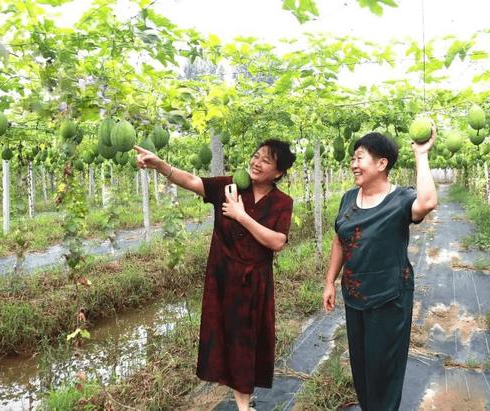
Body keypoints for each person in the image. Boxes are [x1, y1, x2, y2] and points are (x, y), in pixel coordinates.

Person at [134, 139, 296, 411]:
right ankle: (243, 404)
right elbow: (192, 181)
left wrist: (240, 215)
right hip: (223, 279)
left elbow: (277, 242)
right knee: (226, 338)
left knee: (248, 341)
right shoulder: (230, 186)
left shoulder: (282, 202)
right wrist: (160, 165)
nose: (256, 163)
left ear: (278, 172)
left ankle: (244, 403)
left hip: (256, 282)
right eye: (255, 156)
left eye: (266, 161)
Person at [322, 129, 438, 411]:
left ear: (382, 163)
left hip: (389, 299)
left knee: (384, 371)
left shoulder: (400, 200)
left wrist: (421, 155)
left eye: (359, 157)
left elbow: (428, 202)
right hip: (355, 298)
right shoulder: (349, 198)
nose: (353, 164)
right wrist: (329, 282)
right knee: (362, 370)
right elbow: (340, 239)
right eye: (352, 158)